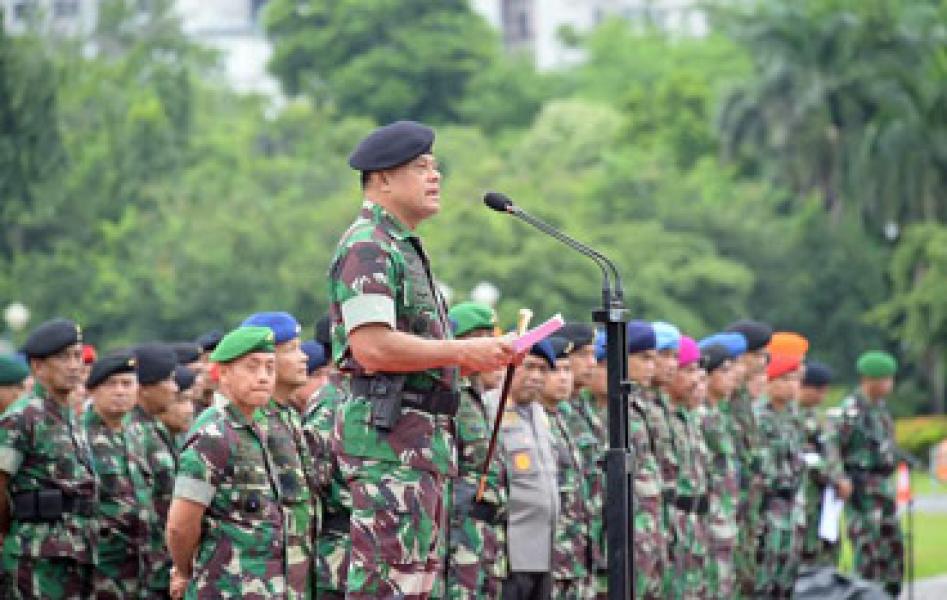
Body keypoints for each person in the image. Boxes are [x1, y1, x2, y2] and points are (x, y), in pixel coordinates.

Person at [328, 120, 515, 598]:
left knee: (413, 584)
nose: (435, 177)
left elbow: (420, 352)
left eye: (435, 167)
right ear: (382, 178)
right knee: (386, 585)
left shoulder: (404, 246)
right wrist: (462, 350)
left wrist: (480, 356)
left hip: (419, 445)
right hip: (388, 445)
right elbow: (372, 346)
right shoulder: (369, 243)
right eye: (420, 167)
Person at [166, 326, 285, 598]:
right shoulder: (213, 434)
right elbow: (180, 525)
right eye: (252, 367)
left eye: (270, 367)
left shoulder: (265, 428)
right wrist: (185, 571)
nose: (263, 377)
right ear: (224, 373)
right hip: (227, 589)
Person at [0, 318, 96, 598]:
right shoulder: (22, 417)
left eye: (77, 356)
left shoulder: (70, 415)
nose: (74, 365)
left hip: (77, 552)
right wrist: (8, 530)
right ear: (38, 366)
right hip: (37, 556)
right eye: (63, 357)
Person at [241, 311, 319, 598]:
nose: (304, 357)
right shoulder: (251, 422)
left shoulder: (287, 416)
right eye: (292, 349)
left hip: (295, 575)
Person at [444, 301, 508, 599]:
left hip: (484, 534)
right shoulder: (449, 395)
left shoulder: (477, 398)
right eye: (483, 339)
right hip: (456, 533)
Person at [829, 351, 904, 597]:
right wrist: (841, 478)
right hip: (862, 493)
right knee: (868, 552)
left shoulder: (880, 409)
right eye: (884, 379)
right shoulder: (851, 411)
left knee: (892, 551)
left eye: (890, 379)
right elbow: (833, 447)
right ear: (868, 379)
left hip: (883, 488)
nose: (889, 385)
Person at [492, 340, 559, 600]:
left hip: (544, 551)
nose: (536, 377)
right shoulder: (491, 408)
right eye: (529, 367)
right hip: (510, 553)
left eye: (543, 370)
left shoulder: (541, 416)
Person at [82, 349, 149, 598]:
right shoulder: (80, 436)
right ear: (93, 390)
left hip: (141, 568)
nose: (120, 391)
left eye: (127, 383)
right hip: (100, 568)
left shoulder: (138, 434)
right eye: (111, 384)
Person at [126, 342, 179, 597]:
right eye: (168, 380)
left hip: (159, 561)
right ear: (145, 388)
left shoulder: (152, 426)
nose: (175, 389)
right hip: (141, 565)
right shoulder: (133, 430)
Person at [724, 319, 772, 595]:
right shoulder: (726, 396)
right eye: (760, 354)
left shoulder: (742, 397)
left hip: (746, 508)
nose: (764, 362)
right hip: (732, 508)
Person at [539, 336, 590, 599]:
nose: (563, 378)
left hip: (575, 554)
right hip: (549, 557)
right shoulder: (532, 421)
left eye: (567, 370)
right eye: (555, 370)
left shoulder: (563, 420)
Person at [754, 353, 806, 598]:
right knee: (765, 576)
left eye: (795, 379)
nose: (792, 385)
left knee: (788, 576)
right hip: (768, 505)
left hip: (790, 505)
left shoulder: (793, 418)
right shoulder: (759, 417)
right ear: (769, 382)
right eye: (784, 379)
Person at [665, 336, 710, 599]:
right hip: (670, 531)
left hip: (692, 529)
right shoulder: (658, 417)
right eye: (689, 370)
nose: (696, 380)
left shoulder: (687, 418)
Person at [624, 321, 666, 600]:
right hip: (628, 530)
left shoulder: (643, 406)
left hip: (649, 526)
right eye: (644, 358)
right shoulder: (615, 408)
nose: (653, 365)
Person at [797, 361, 850, 568]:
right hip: (807, 500)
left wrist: (841, 478)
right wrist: (835, 479)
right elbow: (807, 457)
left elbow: (832, 454)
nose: (822, 396)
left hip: (826, 501)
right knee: (807, 556)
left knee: (827, 554)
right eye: (818, 390)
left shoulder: (820, 418)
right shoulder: (795, 418)